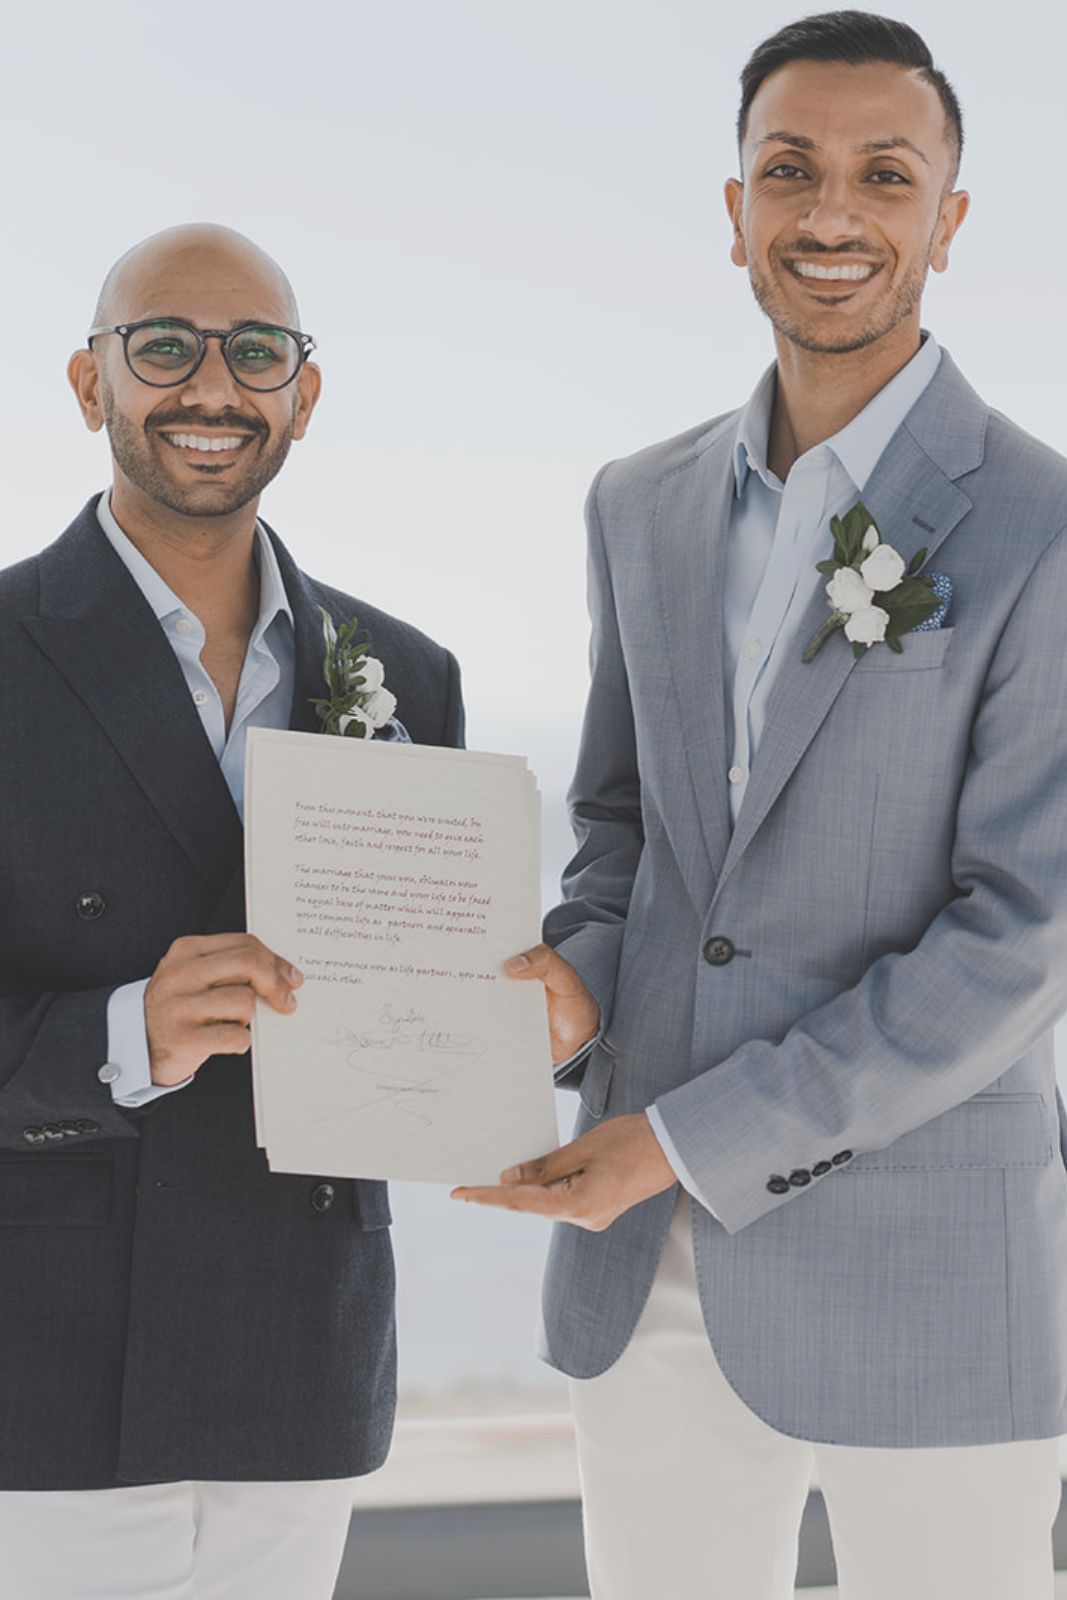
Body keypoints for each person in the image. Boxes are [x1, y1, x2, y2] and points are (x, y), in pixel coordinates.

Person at [454, 13, 1067, 1597]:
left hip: (936, 1273)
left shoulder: (1046, 526)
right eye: (788, 171)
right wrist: (564, 983)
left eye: (884, 174)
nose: (832, 215)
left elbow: (1019, 943)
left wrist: (678, 1141)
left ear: (948, 218)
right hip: (634, 1275)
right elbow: (624, 837)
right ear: (734, 209)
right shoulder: (635, 504)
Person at [0, 223, 463, 1599]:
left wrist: (497, 1030)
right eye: (164, 346)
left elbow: (421, 984)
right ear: (92, 384)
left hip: (298, 1346)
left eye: (254, 351)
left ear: (301, 397)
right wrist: (123, 1029)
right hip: (53, 1360)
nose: (213, 385)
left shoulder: (409, 675)